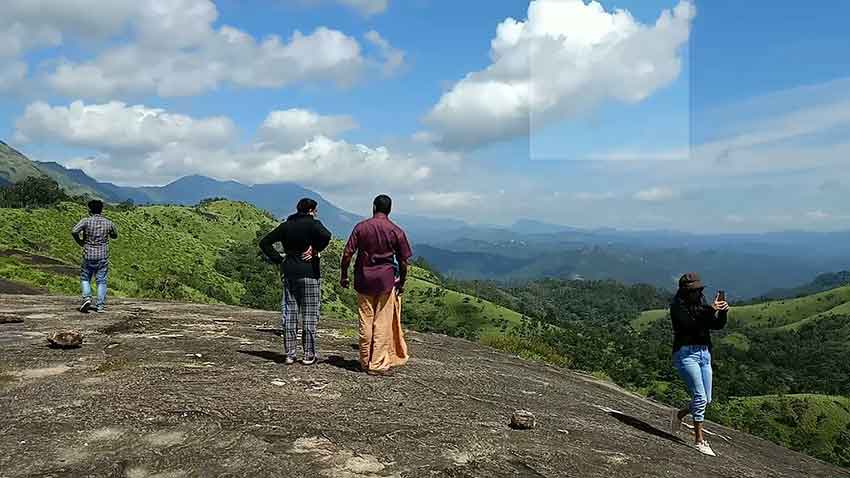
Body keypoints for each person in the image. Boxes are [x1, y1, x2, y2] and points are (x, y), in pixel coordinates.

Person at [340, 195, 411, 376]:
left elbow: (348, 253)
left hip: (363, 279)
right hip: (386, 281)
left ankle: (364, 361)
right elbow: (403, 261)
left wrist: (344, 275)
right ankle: (377, 364)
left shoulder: (361, 227)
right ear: (390, 209)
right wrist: (401, 283)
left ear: (373, 207)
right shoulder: (396, 231)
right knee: (382, 322)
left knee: (366, 320)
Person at [259, 198, 332, 366]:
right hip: (310, 273)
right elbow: (327, 235)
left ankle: (290, 354)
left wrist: (279, 259)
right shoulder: (313, 224)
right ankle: (308, 355)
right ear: (312, 210)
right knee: (310, 315)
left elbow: (265, 242)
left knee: (290, 314)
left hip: (289, 272)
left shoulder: (286, 225)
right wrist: (315, 249)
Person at [670, 272, 730, 456]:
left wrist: (722, 313)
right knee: (700, 398)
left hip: (704, 354)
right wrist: (710, 310)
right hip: (686, 354)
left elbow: (715, 325)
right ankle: (699, 440)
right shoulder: (677, 307)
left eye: (698, 290)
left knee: (706, 399)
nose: (696, 293)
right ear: (685, 292)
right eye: (693, 291)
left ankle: (679, 415)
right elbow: (688, 326)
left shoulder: (701, 306)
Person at [71, 199, 118, 313]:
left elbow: (74, 231)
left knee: (85, 278)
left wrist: (80, 241)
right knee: (101, 281)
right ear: (101, 210)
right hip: (102, 256)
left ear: (90, 209)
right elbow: (115, 235)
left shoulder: (86, 221)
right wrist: (109, 234)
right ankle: (100, 306)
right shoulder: (108, 222)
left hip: (88, 255)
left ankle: (87, 298)